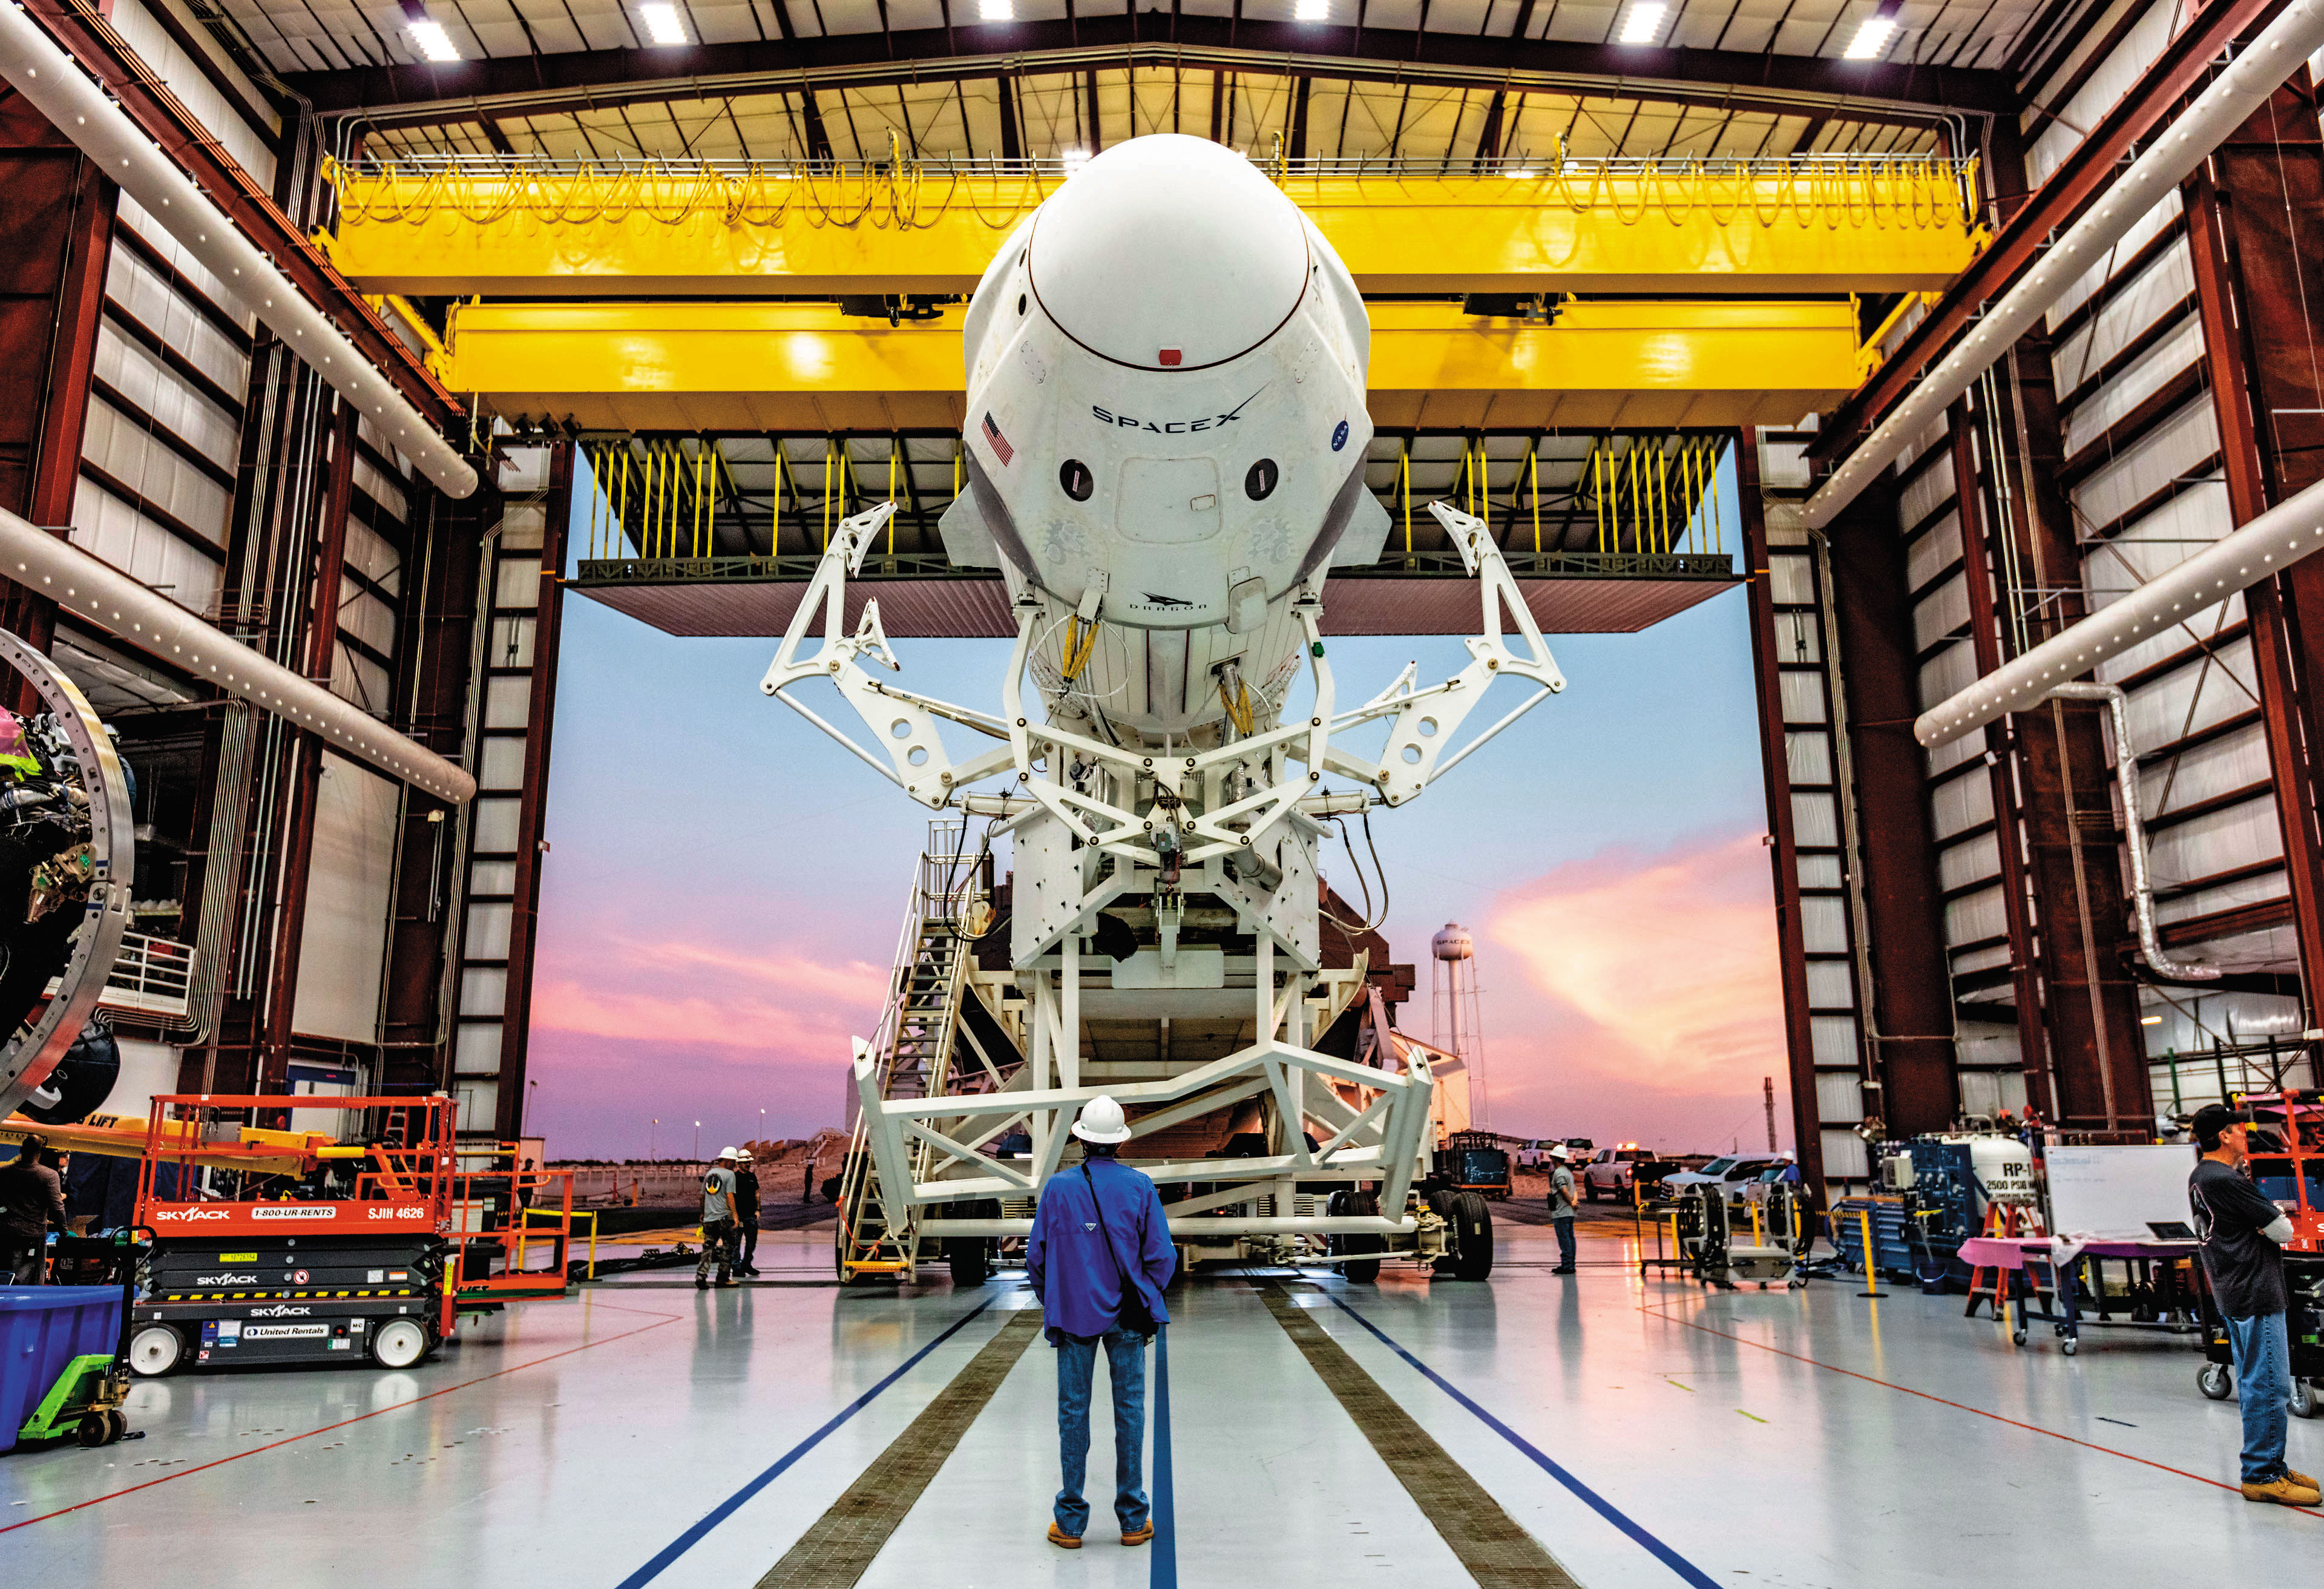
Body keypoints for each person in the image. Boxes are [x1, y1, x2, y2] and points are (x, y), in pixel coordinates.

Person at [1026, 1096, 1176, 1551]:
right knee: (1129, 1413)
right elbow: (1162, 1257)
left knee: (1073, 1413)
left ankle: (1070, 1521)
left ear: (1081, 1138)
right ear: (1120, 1143)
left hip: (1074, 1318)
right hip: (1127, 1319)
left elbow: (1036, 1258)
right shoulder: (1140, 1186)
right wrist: (1144, 1294)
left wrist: (1057, 1297)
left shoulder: (1057, 1188)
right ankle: (1133, 1519)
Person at [2188, 1103, 2317, 1505]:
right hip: (2255, 1291)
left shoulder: (2201, 1176)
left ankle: (2269, 1465)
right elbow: (2282, 1230)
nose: (2248, 1135)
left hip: (2234, 1289)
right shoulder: (2226, 1179)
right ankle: (2262, 1472)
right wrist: (2272, 1215)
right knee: (2268, 1383)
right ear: (2224, 1135)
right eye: (2241, 1129)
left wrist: (2266, 1217)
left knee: (2255, 1380)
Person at [0, 1136, 66, 1285]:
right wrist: (64, 1233)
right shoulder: (49, 1175)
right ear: (40, 1153)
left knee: (5, 1276)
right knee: (31, 1280)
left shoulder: (4, 1172)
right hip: (33, 1235)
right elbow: (57, 1207)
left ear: (22, 1150)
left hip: (5, 1234)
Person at [696, 1147, 741, 1291]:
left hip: (710, 1218)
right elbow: (730, 1196)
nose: (735, 1165)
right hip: (724, 1217)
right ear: (728, 1161)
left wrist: (703, 1213)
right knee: (728, 1247)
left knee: (708, 1248)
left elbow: (702, 1196)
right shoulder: (730, 1175)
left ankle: (701, 1277)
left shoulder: (710, 1174)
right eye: (733, 1161)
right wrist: (735, 1215)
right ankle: (722, 1278)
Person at [1543, 1144, 1579, 1274]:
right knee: (1570, 1238)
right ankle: (1571, 1263)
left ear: (1555, 1159)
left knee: (1564, 1239)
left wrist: (1571, 1203)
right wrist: (1574, 1203)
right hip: (1569, 1213)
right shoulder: (1568, 1172)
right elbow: (1574, 1190)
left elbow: (1564, 1191)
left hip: (1561, 1212)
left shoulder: (1558, 1174)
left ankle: (1567, 1266)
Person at [734, 1148, 762, 1277]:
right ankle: (737, 1267)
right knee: (736, 1244)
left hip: (751, 1216)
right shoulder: (734, 1178)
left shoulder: (752, 1177)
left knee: (752, 1242)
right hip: (738, 1217)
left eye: (749, 1162)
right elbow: (729, 1197)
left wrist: (758, 1209)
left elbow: (757, 1193)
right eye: (745, 1162)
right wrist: (733, 1215)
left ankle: (747, 1264)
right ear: (739, 1163)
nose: (748, 1164)